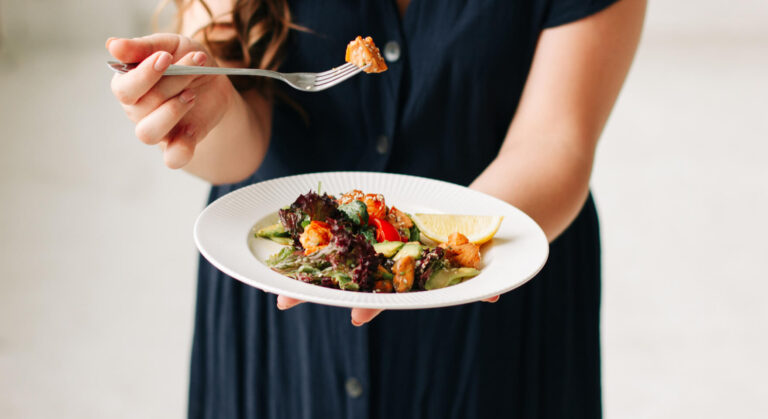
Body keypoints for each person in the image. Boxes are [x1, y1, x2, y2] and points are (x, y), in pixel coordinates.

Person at [107, 0, 645, 417]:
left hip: (497, 295)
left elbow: (555, 143)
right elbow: (242, 145)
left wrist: (434, 258)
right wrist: (209, 106)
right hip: (284, 304)